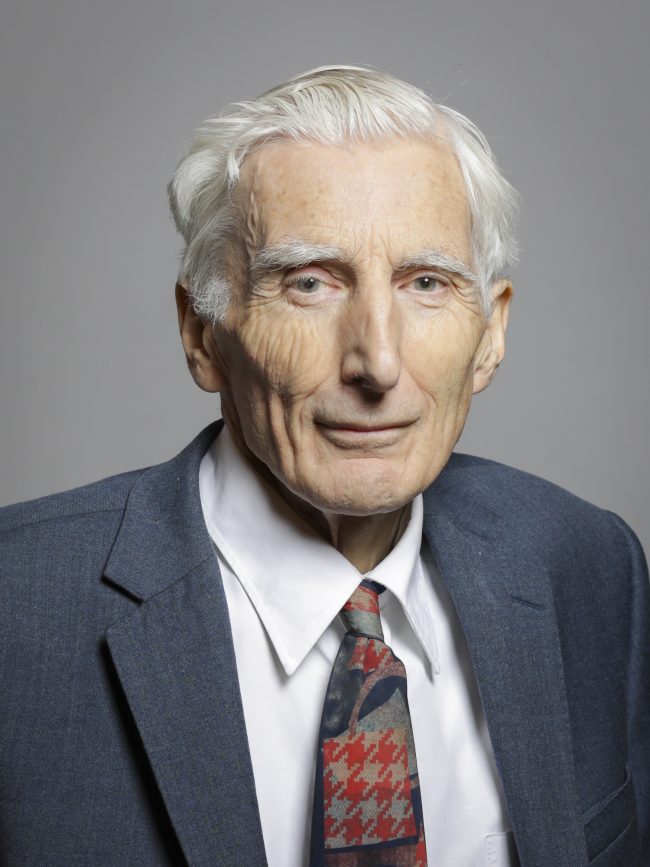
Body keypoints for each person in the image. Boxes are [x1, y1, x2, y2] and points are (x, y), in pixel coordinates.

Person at [0, 65, 647, 867]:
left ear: (491, 333)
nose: (376, 361)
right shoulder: (14, 606)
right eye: (309, 282)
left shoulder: (589, 564)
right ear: (202, 333)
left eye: (426, 282)